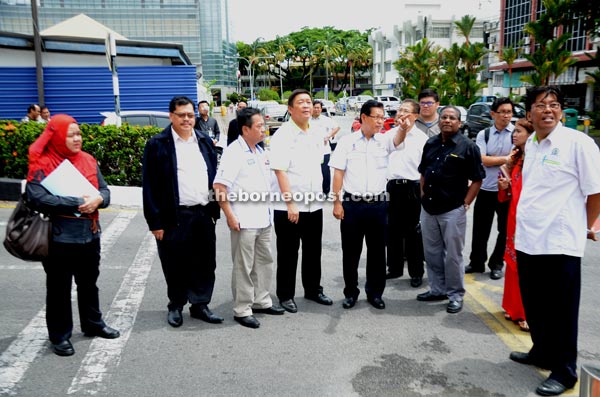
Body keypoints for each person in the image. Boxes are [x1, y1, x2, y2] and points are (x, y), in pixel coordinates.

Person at [510, 86, 600, 397]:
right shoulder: (533, 144)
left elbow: (595, 192)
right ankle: (542, 351)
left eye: (554, 104)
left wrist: (583, 226)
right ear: (529, 113)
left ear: (560, 110)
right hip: (530, 238)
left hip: (560, 242)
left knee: (561, 310)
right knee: (535, 303)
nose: (548, 110)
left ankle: (565, 371)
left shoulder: (578, 144)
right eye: (540, 105)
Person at [26, 114, 120, 357]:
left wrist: (99, 199)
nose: (77, 138)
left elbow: (105, 191)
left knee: (89, 284)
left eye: (78, 134)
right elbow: (36, 197)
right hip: (58, 239)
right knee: (59, 289)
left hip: (90, 235)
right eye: (71, 135)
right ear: (56, 136)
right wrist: (76, 203)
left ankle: (93, 324)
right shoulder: (43, 162)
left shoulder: (88, 160)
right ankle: (60, 335)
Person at [142, 96, 223, 328]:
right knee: (174, 262)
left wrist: (214, 209)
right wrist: (155, 222)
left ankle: (200, 304)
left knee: (205, 262)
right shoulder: (158, 144)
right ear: (171, 116)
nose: (187, 119)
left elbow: (213, 177)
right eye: (181, 115)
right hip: (173, 216)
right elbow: (149, 186)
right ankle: (176, 305)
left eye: (190, 115)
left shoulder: (204, 141)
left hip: (203, 214)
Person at [330, 100, 407, 310]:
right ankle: (350, 292)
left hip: (378, 205)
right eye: (377, 117)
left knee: (377, 253)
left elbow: (398, 139)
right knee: (351, 252)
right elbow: (338, 173)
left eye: (383, 117)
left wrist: (404, 127)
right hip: (352, 205)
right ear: (364, 117)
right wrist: (337, 203)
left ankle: (375, 293)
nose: (381, 122)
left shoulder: (384, 141)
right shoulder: (347, 142)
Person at [213, 107, 284, 329]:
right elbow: (219, 186)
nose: (264, 130)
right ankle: (242, 308)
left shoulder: (260, 151)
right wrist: (230, 215)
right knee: (243, 266)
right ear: (245, 129)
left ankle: (261, 300)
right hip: (243, 220)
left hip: (264, 218)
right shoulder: (234, 153)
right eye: (259, 126)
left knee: (264, 263)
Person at [416, 106, 485, 314]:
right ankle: (437, 289)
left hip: (452, 210)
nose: (447, 120)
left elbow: (478, 179)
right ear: (439, 120)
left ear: (459, 122)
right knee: (432, 253)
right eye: (444, 117)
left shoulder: (468, 147)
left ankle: (455, 295)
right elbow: (423, 172)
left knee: (453, 256)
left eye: (452, 118)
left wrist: (466, 203)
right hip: (428, 208)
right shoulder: (431, 143)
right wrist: (422, 194)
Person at [269, 89, 332, 313]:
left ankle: (313, 289)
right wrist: (290, 204)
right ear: (290, 109)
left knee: (313, 250)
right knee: (288, 252)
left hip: (313, 204)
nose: (306, 105)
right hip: (289, 207)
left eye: (308, 101)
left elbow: (320, 166)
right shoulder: (283, 135)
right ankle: (285, 295)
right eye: (301, 103)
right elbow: (280, 171)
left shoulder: (316, 132)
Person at [465, 97, 515, 280]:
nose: (506, 116)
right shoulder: (483, 134)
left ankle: (496, 264)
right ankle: (476, 262)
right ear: (493, 114)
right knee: (480, 228)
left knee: (504, 229)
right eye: (502, 112)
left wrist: (495, 158)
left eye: (509, 112)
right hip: (486, 188)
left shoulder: (515, 134)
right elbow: (482, 159)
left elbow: (517, 158)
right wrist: (506, 159)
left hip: (506, 190)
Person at [384, 99, 428, 288]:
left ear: (416, 116)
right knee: (392, 229)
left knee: (413, 232)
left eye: (406, 111)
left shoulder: (422, 139)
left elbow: (425, 169)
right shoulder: (389, 134)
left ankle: (416, 272)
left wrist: (423, 192)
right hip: (392, 186)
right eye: (400, 110)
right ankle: (394, 268)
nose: (401, 113)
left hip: (413, 187)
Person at [497, 118, 534, 332]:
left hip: (530, 217)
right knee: (513, 264)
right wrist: (507, 185)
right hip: (515, 214)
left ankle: (529, 313)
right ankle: (513, 307)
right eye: (515, 131)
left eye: (519, 131)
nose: (514, 134)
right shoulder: (515, 157)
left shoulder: (536, 158)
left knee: (527, 268)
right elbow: (512, 189)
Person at [311, 100, 340, 195]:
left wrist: (329, 135)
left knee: (325, 172)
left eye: (318, 108)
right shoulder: (307, 120)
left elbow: (337, 127)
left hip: (324, 151)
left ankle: (326, 191)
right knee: (312, 172)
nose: (317, 109)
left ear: (321, 109)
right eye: (315, 107)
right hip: (311, 151)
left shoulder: (325, 120)